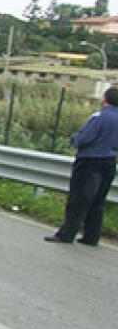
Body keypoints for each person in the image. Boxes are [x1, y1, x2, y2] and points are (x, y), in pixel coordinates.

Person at [45, 86, 118, 246]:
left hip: (90, 161)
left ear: (105, 100)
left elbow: (85, 138)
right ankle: (91, 236)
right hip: (110, 161)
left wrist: (75, 139)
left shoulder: (99, 117)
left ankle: (67, 234)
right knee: (98, 200)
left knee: (79, 198)